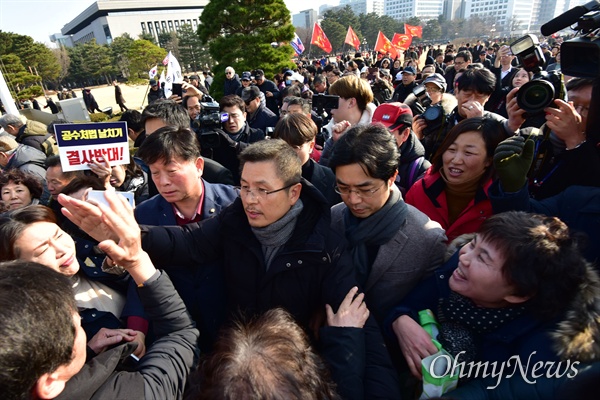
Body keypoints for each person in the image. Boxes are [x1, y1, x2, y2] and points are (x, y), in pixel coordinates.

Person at [0, 193, 198, 399]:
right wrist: (88, 351)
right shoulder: (33, 322)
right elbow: (179, 332)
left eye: (58, 235)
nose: (61, 250)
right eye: (42, 250)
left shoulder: (90, 255)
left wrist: (136, 323)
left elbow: (136, 285)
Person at [385, 211, 600, 398]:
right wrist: (400, 320)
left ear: (519, 294)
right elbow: (408, 305)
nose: (464, 256)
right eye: (473, 243)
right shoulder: (459, 272)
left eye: (483, 258)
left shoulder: (544, 351)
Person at [327, 124, 446, 324]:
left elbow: (429, 307)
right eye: (343, 188)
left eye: (366, 189)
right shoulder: (333, 218)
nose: (353, 199)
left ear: (391, 177)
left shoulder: (427, 239)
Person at [134, 126, 237, 351]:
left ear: (198, 166)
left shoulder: (234, 203)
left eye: (171, 171)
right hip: (176, 335)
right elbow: (141, 276)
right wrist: (137, 328)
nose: (163, 182)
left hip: (233, 329)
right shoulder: (144, 214)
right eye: (155, 172)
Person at [406, 117, 506, 242]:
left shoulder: (499, 203)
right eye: (451, 150)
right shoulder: (420, 190)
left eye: (469, 152)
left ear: (489, 160)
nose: (456, 160)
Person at [271, 113, 340, 207]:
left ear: (311, 146)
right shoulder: (267, 176)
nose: (287, 153)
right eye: (282, 147)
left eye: (294, 148)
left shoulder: (331, 180)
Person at [371, 103, 431, 194]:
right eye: (376, 131)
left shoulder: (420, 170)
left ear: (405, 134)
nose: (379, 138)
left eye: (387, 133)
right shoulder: (364, 156)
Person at [319, 74, 376, 166]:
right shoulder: (327, 132)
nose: (330, 105)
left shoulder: (376, 137)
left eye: (334, 99)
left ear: (351, 102)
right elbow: (325, 175)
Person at [214, 95, 265, 184]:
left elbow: (258, 155)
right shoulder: (216, 137)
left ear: (244, 116)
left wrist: (235, 145)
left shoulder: (257, 135)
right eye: (226, 116)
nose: (231, 121)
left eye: (234, 116)